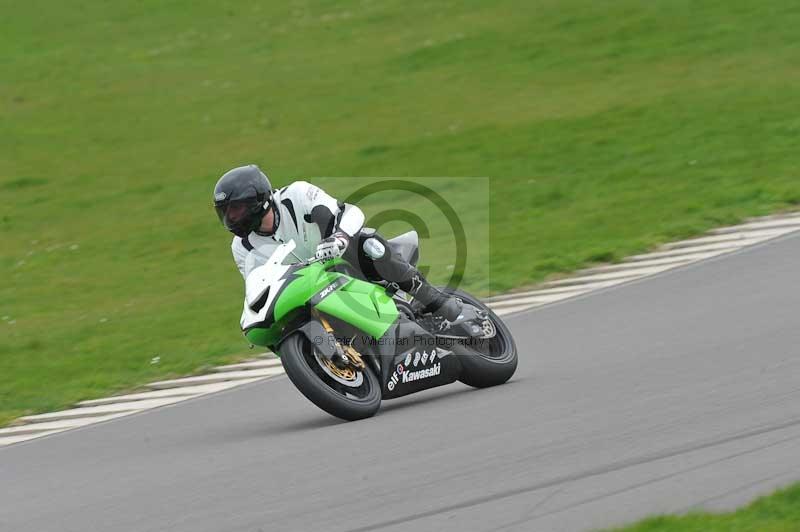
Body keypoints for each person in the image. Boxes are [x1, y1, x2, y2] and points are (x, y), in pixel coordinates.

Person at [213, 164, 462, 321]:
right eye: (226, 213)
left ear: (259, 199)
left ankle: (434, 299)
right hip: (309, 289)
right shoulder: (241, 247)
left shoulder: (296, 195)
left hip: (345, 260)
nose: (232, 218)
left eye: (236, 209)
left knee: (367, 243)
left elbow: (351, 213)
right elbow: (257, 285)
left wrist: (339, 237)